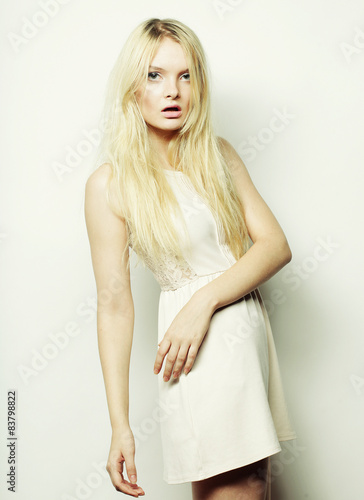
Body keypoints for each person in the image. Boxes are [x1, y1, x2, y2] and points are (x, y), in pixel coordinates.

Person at [84, 17, 297, 499]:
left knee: (254, 484)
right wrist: (120, 425)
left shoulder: (217, 155)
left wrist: (203, 303)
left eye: (186, 75)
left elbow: (275, 246)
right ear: (132, 87)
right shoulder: (110, 184)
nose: (172, 91)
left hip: (242, 338)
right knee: (237, 485)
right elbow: (114, 304)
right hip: (195, 355)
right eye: (154, 76)